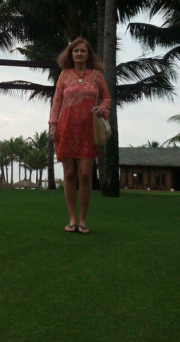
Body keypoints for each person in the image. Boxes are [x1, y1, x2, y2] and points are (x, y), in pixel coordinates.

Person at [48, 37, 111, 234]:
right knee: (69, 174)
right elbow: (56, 102)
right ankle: (72, 218)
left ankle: (83, 218)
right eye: (76, 51)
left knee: (85, 175)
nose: (79, 54)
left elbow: (106, 97)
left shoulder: (97, 76)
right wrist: (52, 125)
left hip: (88, 130)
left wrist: (103, 108)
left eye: (83, 51)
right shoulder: (64, 75)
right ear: (71, 54)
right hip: (66, 129)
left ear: (88, 54)